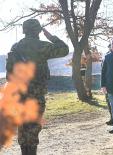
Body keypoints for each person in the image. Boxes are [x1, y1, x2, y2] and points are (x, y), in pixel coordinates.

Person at [6, 19, 69, 155]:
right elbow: (64, 49)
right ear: (38, 30)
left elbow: (9, 74)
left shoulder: (16, 47)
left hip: (19, 95)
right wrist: (50, 36)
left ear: (24, 30)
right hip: (36, 96)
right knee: (33, 129)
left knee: (23, 129)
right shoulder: (42, 46)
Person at [104, 44, 113, 125]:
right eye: (109, 47)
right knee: (108, 101)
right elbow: (103, 70)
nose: (110, 48)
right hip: (107, 83)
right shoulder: (106, 56)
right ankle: (112, 118)